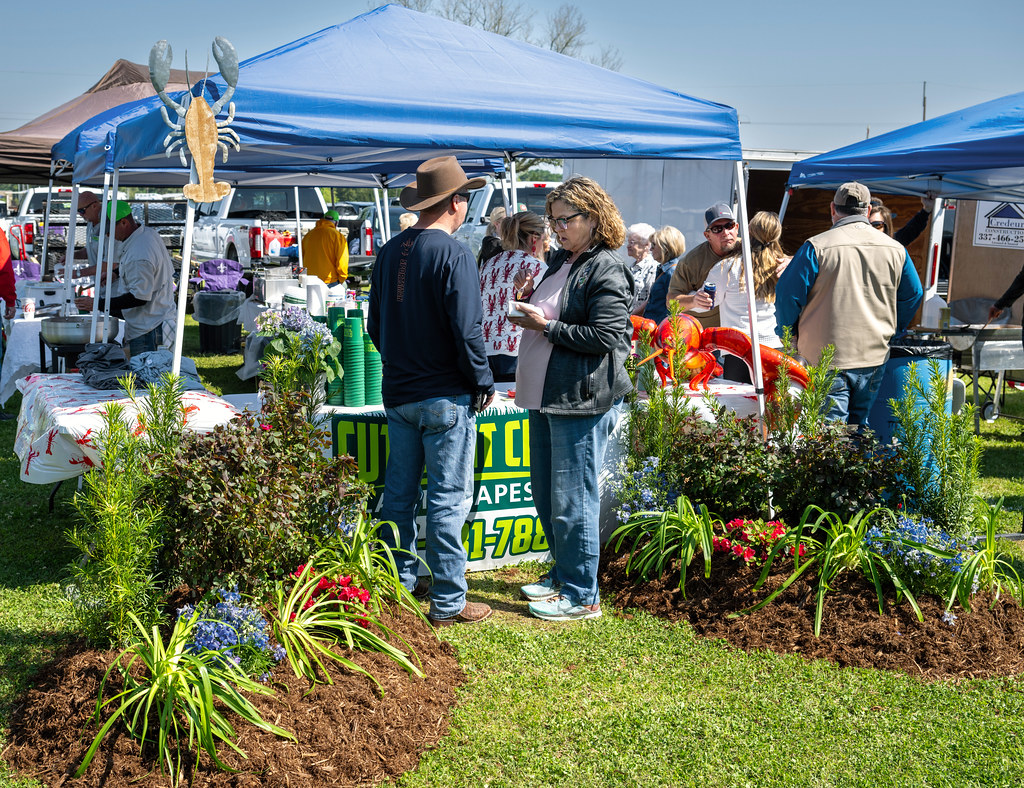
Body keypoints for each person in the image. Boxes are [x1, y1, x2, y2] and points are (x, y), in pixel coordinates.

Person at [367, 156, 495, 627]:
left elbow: (374, 328)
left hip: (399, 392)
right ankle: (447, 600)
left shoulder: (389, 250)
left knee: (399, 497)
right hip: (444, 394)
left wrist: (404, 363)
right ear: (455, 203)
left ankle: (400, 587)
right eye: (466, 198)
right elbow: (468, 330)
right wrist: (482, 381)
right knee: (447, 499)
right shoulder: (455, 253)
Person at [507, 176, 633, 622]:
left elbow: (605, 335)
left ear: (594, 219)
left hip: (579, 397)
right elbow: (553, 309)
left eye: (565, 220)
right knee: (547, 493)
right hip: (546, 394)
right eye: (552, 219)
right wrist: (526, 301)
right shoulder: (562, 260)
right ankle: (564, 574)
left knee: (572, 497)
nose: (556, 228)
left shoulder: (606, 267)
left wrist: (547, 328)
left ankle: (583, 595)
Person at [775, 182, 924, 426]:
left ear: (833, 209)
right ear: (867, 211)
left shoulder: (816, 247)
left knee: (830, 436)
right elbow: (913, 295)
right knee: (856, 430)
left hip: (824, 356)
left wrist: (788, 334)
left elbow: (786, 296)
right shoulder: (896, 249)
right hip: (873, 355)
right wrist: (894, 329)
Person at [75, 201, 177, 358]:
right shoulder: (146, 234)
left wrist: (98, 304)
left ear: (124, 222)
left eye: (109, 231)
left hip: (149, 328)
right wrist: (116, 272)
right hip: (153, 319)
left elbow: (138, 298)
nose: (108, 235)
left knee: (146, 380)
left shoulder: (139, 254)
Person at [703, 211, 790, 383]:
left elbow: (706, 303)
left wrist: (689, 297)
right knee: (774, 405)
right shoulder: (785, 266)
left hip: (738, 348)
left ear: (748, 232)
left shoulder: (726, 268)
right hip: (775, 347)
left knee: (739, 407)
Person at [478, 211, 547, 383]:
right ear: (534, 238)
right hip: (517, 350)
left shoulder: (489, 264)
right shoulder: (536, 267)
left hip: (486, 349)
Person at [666, 202, 743, 327]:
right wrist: (693, 301)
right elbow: (671, 302)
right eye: (717, 229)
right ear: (707, 236)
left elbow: (774, 255)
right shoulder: (691, 262)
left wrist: (786, 261)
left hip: (735, 332)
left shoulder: (749, 249)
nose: (725, 232)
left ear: (737, 227)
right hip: (701, 332)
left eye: (730, 225)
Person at [643, 225, 686, 325]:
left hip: (662, 331)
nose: (651, 249)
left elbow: (674, 307)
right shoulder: (664, 269)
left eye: (654, 245)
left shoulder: (672, 272)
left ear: (665, 248)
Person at [301, 209, 349, 284]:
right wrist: (342, 278)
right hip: (329, 281)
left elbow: (302, 256)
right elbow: (342, 261)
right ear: (336, 223)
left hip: (309, 280)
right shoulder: (338, 236)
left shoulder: (308, 235)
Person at [626, 222, 658, 315]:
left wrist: (631, 316)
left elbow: (651, 298)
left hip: (641, 322)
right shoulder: (632, 267)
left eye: (632, 242)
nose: (628, 246)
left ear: (646, 245)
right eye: (628, 242)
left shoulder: (652, 267)